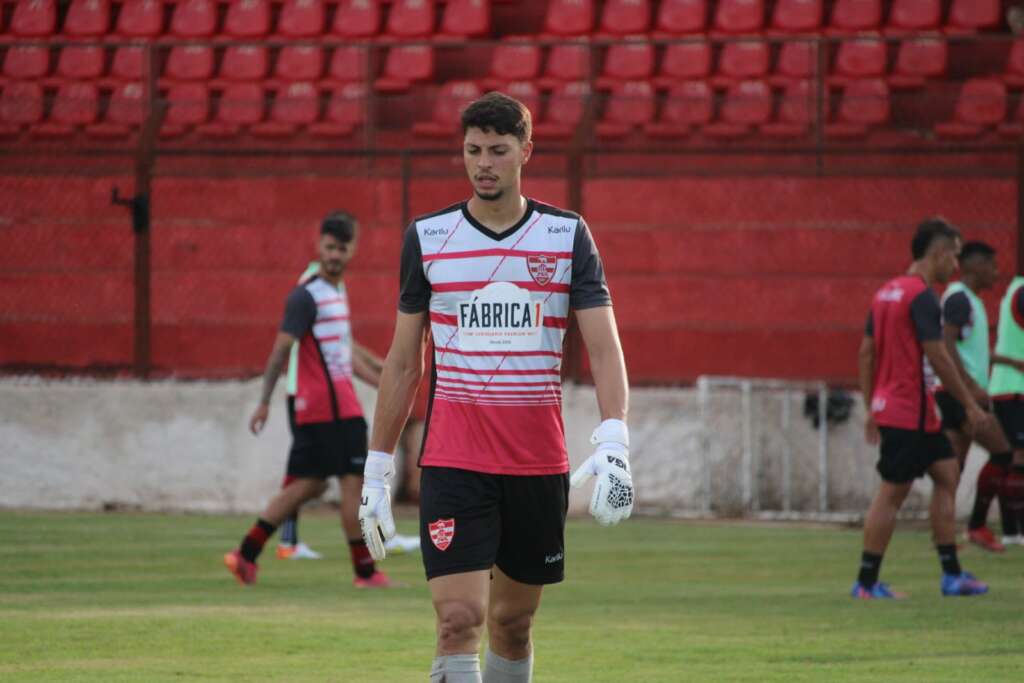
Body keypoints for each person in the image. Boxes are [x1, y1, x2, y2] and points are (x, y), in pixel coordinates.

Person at [357, 92, 634, 682]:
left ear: (525, 153)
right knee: (459, 618)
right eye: (473, 150)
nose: (483, 163)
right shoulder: (428, 239)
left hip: (537, 464)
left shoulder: (566, 235)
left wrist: (614, 439)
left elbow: (605, 347)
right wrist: (377, 469)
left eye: (498, 151)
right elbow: (405, 360)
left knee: (513, 624)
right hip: (455, 462)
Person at [223, 211, 391, 588]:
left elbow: (342, 349)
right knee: (353, 483)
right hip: (329, 409)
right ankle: (365, 573)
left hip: (332, 405)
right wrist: (265, 401)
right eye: (329, 247)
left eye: (342, 248)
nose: (334, 255)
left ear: (352, 250)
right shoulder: (307, 295)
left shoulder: (335, 291)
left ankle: (245, 554)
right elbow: (280, 351)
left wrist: (379, 374)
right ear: (319, 246)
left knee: (310, 485)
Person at [853, 217, 990, 599]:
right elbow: (939, 354)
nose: (956, 267)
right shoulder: (921, 296)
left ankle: (952, 575)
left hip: (909, 409)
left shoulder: (885, 293)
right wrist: (968, 402)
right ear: (940, 253)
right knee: (893, 492)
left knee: (947, 473)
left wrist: (871, 405)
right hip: (909, 410)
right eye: (954, 257)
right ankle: (866, 582)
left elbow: (866, 352)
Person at [934, 242, 1018, 552]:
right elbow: (945, 343)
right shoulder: (960, 300)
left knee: (952, 468)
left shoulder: (970, 302)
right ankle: (977, 526)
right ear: (974, 266)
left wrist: (1008, 362)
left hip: (954, 392)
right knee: (1003, 452)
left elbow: (971, 351)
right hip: (959, 394)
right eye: (992, 266)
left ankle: (943, 536)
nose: (996, 273)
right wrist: (969, 387)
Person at [986, 271, 1024, 546]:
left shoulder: (1014, 289)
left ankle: (1012, 530)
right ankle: (1014, 530)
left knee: (1010, 458)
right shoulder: (1021, 292)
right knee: (1017, 459)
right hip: (1013, 388)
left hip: (1008, 387)